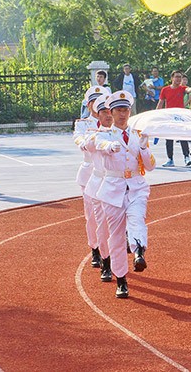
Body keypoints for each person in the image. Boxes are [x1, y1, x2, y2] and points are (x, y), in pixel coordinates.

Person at [95, 90, 156, 299]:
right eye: (119, 110)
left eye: (126, 110)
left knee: (137, 218)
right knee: (117, 236)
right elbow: (99, 144)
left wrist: (144, 148)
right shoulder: (104, 134)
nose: (122, 114)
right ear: (111, 112)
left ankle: (139, 251)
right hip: (113, 189)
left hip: (136, 186)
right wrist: (109, 146)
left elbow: (150, 166)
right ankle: (121, 278)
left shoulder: (138, 135)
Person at [74, 86, 111, 269]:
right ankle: (95, 248)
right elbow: (79, 140)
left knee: (108, 216)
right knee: (92, 216)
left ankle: (109, 250)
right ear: (89, 104)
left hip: (110, 175)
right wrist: (87, 142)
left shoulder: (111, 122)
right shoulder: (82, 123)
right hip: (90, 173)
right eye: (94, 101)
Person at [82, 94, 114, 282]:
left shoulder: (124, 133)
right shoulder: (93, 133)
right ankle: (106, 261)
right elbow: (87, 144)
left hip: (119, 186)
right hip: (99, 184)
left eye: (112, 111)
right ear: (98, 114)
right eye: (104, 112)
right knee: (101, 227)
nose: (109, 115)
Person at [157, 70, 191, 167]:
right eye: (177, 77)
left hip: (180, 116)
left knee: (182, 136)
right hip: (169, 116)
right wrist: (157, 115)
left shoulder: (182, 88)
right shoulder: (165, 90)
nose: (178, 79)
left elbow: (188, 89)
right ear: (172, 78)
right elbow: (161, 103)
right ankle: (170, 159)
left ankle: (187, 157)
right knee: (169, 139)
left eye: (180, 77)